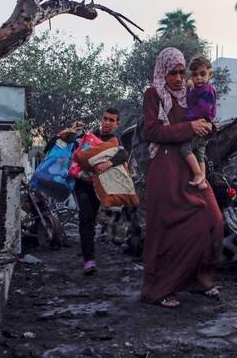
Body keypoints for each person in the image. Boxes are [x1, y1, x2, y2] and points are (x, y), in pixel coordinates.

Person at [140, 47, 223, 308]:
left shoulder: (190, 93)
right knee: (168, 231)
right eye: (172, 73)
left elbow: (203, 118)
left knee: (213, 220)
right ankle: (161, 289)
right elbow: (152, 132)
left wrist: (208, 127)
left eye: (180, 72)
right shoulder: (153, 94)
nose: (178, 78)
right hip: (166, 170)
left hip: (191, 168)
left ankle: (198, 278)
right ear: (162, 72)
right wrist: (189, 128)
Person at [56, 108, 129, 275]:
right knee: (85, 217)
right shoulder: (88, 136)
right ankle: (88, 259)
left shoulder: (115, 141)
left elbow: (123, 154)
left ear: (117, 124)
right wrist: (70, 131)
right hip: (82, 183)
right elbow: (66, 140)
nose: (107, 122)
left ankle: (87, 251)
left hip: (98, 186)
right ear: (101, 119)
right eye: (105, 119)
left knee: (91, 218)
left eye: (111, 120)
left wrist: (109, 163)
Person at [180, 55, 216, 189]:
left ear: (209, 74)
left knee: (185, 149)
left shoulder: (207, 90)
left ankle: (198, 174)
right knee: (200, 153)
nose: (199, 78)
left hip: (200, 123)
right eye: (195, 75)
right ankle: (202, 181)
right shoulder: (197, 88)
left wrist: (187, 118)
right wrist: (189, 88)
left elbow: (203, 109)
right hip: (203, 125)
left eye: (202, 74)